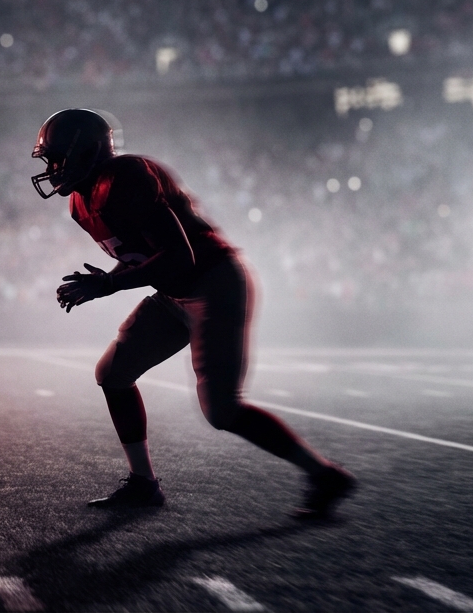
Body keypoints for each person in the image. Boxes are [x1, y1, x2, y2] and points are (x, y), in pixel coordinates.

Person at [31, 109, 356, 519]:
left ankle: (324, 473)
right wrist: (106, 281)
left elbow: (180, 257)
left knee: (221, 410)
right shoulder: (81, 201)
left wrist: (109, 285)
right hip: (175, 292)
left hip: (213, 284)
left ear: (90, 151)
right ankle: (144, 485)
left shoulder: (125, 177)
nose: (53, 168)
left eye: (57, 157)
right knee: (112, 374)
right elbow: (142, 252)